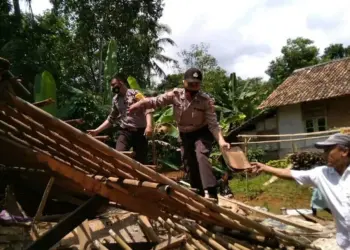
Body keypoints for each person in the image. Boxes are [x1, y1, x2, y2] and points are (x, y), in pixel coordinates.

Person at [128, 68, 230, 199]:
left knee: (201, 155)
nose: (194, 87)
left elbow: (213, 124)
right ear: (184, 82)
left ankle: (211, 192)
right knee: (188, 161)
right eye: (191, 83)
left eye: (197, 84)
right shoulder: (175, 95)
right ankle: (197, 191)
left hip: (201, 132)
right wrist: (141, 103)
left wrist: (221, 141)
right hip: (184, 133)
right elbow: (156, 101)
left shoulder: (205, 101)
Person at [251, 133, 350, 250]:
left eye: (328, 150)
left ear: (344, 152)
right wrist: (265, 167)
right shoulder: (322, 174)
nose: (324, 154)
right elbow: (290, 174)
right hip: (344, 243)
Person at [87, 74, 153, 164]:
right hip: (125, 131)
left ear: (121, 82)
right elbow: (111, 119)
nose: (112, 87)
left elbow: (148, 109)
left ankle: (140, 177)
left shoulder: (136, 94)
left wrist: (149, 126)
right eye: (111, 86)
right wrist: (96, 131)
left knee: (141, 161)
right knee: (119, 155)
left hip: (140, 132)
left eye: (114, 84)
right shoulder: (115, 100)